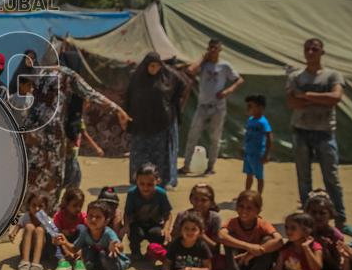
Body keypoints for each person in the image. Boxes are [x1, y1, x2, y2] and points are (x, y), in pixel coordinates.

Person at [22, 60, 130, 208]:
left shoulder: (35, 71)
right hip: (51, 135)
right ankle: (43, 219)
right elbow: (91, 94)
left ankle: (30, 217)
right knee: (51, 181)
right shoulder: (65, 74)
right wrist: (118, 109)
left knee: (31, 177)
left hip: (32, 134)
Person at [286, 37, 352, 234]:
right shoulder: (296, 76)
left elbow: (335, 98)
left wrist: (305, 95)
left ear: (322, 52)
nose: (311, 52)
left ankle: (340, 220)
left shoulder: (332, 76)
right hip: (301, 130)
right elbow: (291, 103)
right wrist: (319, 99)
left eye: (315, 49)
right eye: (307, 49)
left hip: (324, 132)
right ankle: (308, 221)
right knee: (304, 178)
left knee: (331, 177)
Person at [179, 38, 244, 176]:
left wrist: (229, 90)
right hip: (202, 105)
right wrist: (203, 58)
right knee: (193, 135)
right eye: (211, 48)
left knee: (215, 137)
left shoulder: (225, 66)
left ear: (220, 50)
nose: (213, 50)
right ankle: (186, 166)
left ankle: (211, 166)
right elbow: (190, 71)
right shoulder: (204, 65)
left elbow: (239, 79)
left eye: (216, 48)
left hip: (218, 106)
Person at [125, 52, 187, 187]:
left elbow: (182, 85)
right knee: (139, 155)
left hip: (161, 124)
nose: (154, 69)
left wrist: (173, 105)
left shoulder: (168, 76)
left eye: (157, 66)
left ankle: (159, 182)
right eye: (151, 66)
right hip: (140, 124)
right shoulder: (136, 77)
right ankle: (138, 182)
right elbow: (129, 98)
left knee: (159, 156)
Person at [219, 190, 283, 270]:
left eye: (249, 208)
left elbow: (279, 240)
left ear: (258, 210)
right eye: (241, 206)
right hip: (238, 261)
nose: (244, 210)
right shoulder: (233, 222)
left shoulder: (262, 224)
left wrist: (255, 252)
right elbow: (221, 235)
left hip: (256, 263)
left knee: (269, 240)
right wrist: (248, 246)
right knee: (229, 238)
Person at [54, 200, 128, 270]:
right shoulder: (86, 232)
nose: (93, 219)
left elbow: (119, 246)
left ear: (106, 221)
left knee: (103, 253)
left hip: (115, 265)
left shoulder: (108, 233)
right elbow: (74, 249)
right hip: (101, 264)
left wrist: (116, 246)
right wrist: (64, 242)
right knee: (87, 250)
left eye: (98, 217)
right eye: (91, 216)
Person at [122, 163, 172, 262]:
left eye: (150, 184)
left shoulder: (161, 194)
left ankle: (154, 252)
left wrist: (166, 229)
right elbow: (127, 213)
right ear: (136, 181)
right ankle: (136, 252)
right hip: (137, 223)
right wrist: (126, 225)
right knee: (135, 233)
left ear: (157, 181)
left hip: (155, 224)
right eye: (142, 184)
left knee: (158, 234)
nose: (145, 188)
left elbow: (168, 214)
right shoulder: (132, 193)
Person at [172, 184, 223, 270]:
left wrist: (201, 235)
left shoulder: (215, 218)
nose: (199, 203)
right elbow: (174, 239)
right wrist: (186, 232)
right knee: (159, 250)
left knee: (221, 260)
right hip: (184, 254)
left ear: (211, 202)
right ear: (190, 199)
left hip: (205, 255)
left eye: (203, 200)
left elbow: (215, 247)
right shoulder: (183, 215)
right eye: (195, 199)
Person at [304, 191, 344, 270]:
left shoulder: (336, 236)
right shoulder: (303, 231)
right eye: (313, 212)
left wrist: (325, 252)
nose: (317, 216)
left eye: (322, 213)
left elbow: (336, 266)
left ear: (330, 214)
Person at [9, 192, 51, 270]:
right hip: (26, 249)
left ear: (46, 208)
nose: (36, 208)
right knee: (29, 226)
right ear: (29, 205)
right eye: (34, 205)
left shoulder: (47, 220)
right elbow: (17, 227)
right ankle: (24, 263)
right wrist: (13, 234)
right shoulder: (26, 216)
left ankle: (35, 266)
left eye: (40, 206)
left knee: (39, 230)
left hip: (43, 252)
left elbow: (56, 234)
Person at [243, 94, 273, 195]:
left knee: (259, 177)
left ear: (260, 107)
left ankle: (259, 196)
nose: (248, 108)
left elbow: (269, 137)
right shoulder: (250, 120)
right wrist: (243, 147)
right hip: (248, 152)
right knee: (248, 174)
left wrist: (266, 154)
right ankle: (247, 193)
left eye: (251, 106)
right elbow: (247, 135)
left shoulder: (263, 122)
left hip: (257, 153)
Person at [53, 188, 87, 270]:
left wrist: (80, 251)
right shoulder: (59, 216)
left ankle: (79, 261)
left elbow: (86, 236)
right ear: (66, 204)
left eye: (80, 205)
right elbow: (57, 236)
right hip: (63, 246)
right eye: (75, 205)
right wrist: (66, 252)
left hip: (77, 246)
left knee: (82, 228)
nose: (78, 208)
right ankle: (63, 261)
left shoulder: (83, 217)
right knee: (53, 233)